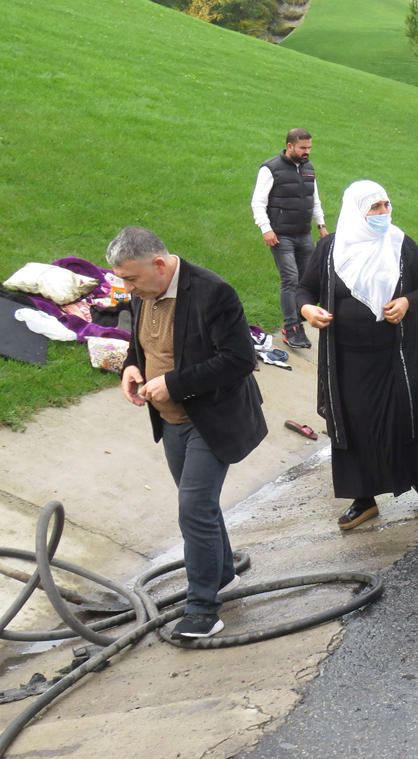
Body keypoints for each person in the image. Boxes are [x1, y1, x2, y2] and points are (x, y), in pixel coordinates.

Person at [110, 227, 267, 639]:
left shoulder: (213, 292)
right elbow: (140, 340)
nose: (127, 287)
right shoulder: (143, 290)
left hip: (213, 418)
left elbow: (239, 359)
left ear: (159, 265)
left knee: (193, 507)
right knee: (200, 505)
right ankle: (221, 574)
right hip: (171, 420)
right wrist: (132, 364)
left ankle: (202, 608)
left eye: (131, 279)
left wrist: (175, 384)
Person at [298, 180, 418, 530]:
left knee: (406, 411)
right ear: (356, 211)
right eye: (374, 207)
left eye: (386, 205)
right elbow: (304, 288)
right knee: (354, 421)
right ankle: (363, 498)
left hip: (396, 352)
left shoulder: (399, 244)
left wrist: (407, 301)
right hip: (347, 358)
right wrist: (307, 309)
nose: (383, 213)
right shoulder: (330, 249)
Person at [252, 128, 327, 350]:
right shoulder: (270, 169)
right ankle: (291, 327)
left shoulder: (308, 169)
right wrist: (266, 229)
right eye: (303, 148)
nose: (307, 152)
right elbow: (258, 202)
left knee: (307, 281)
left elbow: (314, 200)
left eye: (309, 148)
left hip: (304, 234)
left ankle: (299, 320)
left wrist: (321, 226)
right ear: (290, 146)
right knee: (291, 279)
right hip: (281, 236)